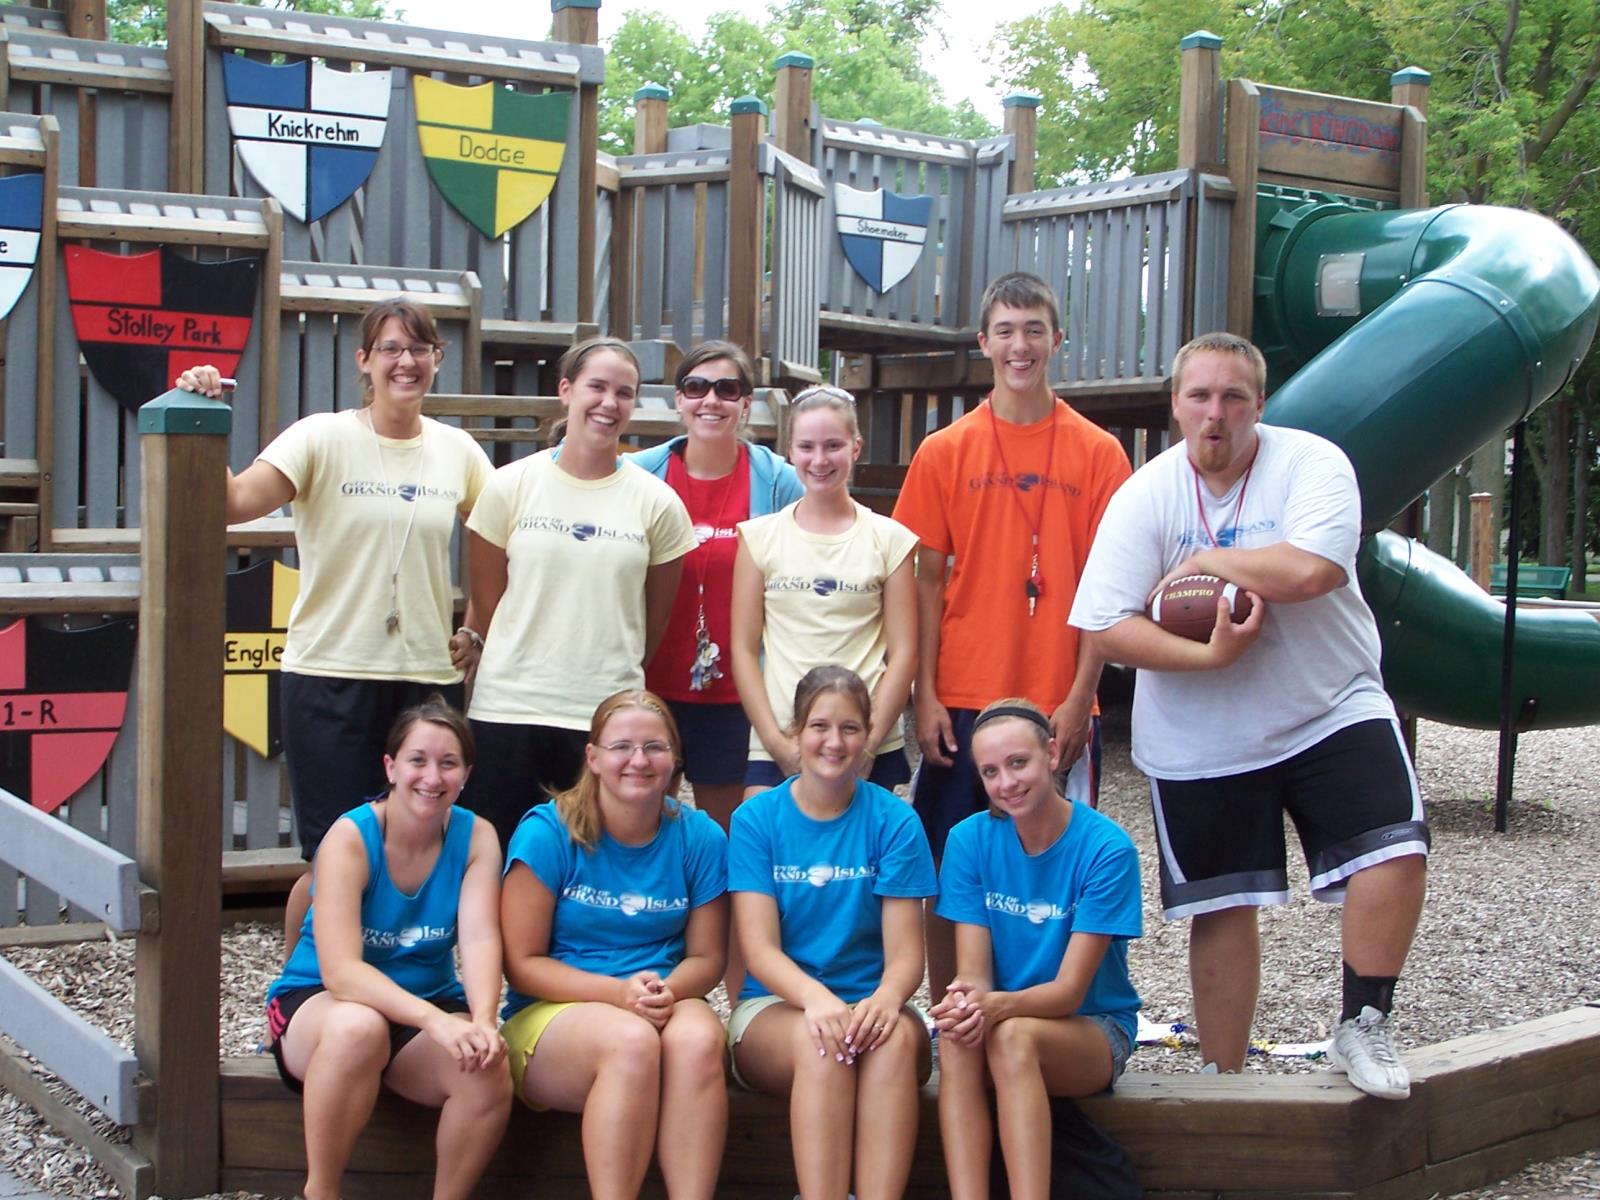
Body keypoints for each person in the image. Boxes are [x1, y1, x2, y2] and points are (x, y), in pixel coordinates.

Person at [1069, 331, 1430, 1099]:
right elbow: (1103, 624)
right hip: (1204, 730)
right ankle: (1221, 1082)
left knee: (1393, 850)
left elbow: (1312, 568)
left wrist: (1206, 564)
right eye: (1200, 396)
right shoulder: (1147, 493)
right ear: (1176, 406)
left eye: (1234, 397)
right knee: (1224, 903)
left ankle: (1364, 1022)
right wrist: (1208, 657)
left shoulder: (1312, 463)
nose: (1216, 414)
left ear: (1259, 405)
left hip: (1328, 703)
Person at [179, 298, 494, 947]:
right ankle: (297, 996)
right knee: (332, 860)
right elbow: (234, 504)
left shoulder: (457, 452)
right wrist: (207, 414)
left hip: (426, 681)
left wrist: (478, 621)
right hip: (329, 675)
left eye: (419, 348)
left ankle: (387, 983)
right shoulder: (321, 436)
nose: (405, 362)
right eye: (390, 348)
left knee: (416, 848)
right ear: (365, 361)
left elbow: (502, 538)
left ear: (438, 359)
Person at [892, 271, 1132, 1000]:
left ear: (1058, 340)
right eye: (1005, 330)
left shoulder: (1098, 453)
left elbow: (1107, 592)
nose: (1019, 345)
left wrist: (1083, 696)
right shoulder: (945, 450)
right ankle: (949, 1015)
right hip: (965, 688)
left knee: (1057, 863)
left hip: (1053, 694)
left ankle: (1057, 1008)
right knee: (943, 866)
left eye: (1034, 329)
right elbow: (923, 580)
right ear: (983, 343)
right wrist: (923, 696)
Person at [263, 698, 510, 1200]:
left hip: (424, 1006)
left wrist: (483, 1018)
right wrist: (435, 1021)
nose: (432, 776)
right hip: (321, 1003)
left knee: (487, 1069)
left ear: (466, 774)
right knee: (359, 1028)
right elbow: (342, 973)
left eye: (448, 763)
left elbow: (481, 936)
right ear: (391, 767)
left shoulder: (477, 835)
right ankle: (321, 1191)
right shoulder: (351, 837)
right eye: (418, 760)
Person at [463, 338, 698, 849]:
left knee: (589, 866)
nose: (609, 403)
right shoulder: (509, 486)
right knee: (499, 860)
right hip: (508, 710)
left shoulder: (657, 503)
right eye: (597, 387)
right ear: (566, 391)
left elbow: (652, 624)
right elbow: (489, 601)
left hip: (601, 716)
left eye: (624, 393)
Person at [500, 689, 728, 1200]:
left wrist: (662, 990)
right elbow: (521, 964)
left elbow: (709, 958)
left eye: (655, 747)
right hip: (553, 1012)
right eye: (622, 746)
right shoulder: (548, 832)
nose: (639, 761)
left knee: (699, 1040)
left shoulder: (700, 837)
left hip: (659, 994)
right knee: (630, 1042)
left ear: (675, 758)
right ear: (594, 757)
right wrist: (616, 993)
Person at [727, 666, 936, 1200]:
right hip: (778, 1006)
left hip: (870, 1005)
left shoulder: (894, 821)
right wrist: (817, 999)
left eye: (849, 728)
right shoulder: (757, 819)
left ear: (868, 735)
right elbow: (759, 949)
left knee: (888, 1044)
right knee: (824, 1045)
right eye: (820, 726)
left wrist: (888, 1000)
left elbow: (908, 953)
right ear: (796, 730)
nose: (834, 742)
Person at [930, 699, 1141, 1199]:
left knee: (1012, 1039)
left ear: (1051, 753)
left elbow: (1069, 993)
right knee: (956, 1037)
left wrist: (994, 1005)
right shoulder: (968, 840)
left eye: (1017, 763)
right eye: (990, 771)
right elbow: (975, 971)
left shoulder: (1106, 848)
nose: (1006, 783)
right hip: (1003, 1019)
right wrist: (967, 998)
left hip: (1092, 1028)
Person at [630, 341, 804, 830]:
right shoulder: (641, 475)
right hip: (651, 679)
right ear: (679, 400)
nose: (712, 400)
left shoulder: (777, 483)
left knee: (728, 827)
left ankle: (722, 909)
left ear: (747, 403)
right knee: (640, 816)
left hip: (734, 687)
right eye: (696, 387)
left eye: (727, 389)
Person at [730, 386, 918, 799]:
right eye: (806, 447)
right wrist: (775, 742)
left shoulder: (890, 540)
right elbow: (743, 648)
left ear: (855, 447)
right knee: (773, 855)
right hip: (783, 733)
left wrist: (866, 745)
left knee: (860, 858)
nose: (819, 460)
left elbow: (904, 651)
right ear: (789, 452)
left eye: (833, 446)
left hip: (864, 737)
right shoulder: (759, 538)